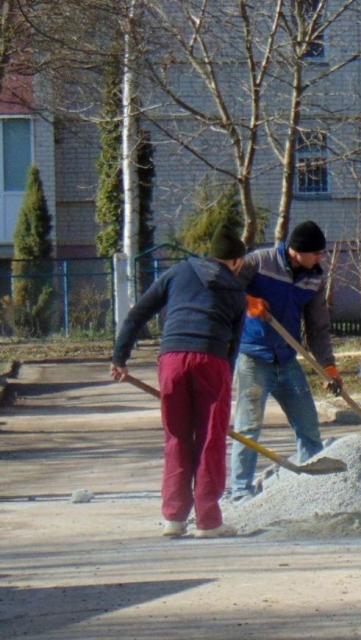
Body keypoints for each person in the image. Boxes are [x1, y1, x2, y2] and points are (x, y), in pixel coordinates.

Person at [110, 224, 247, 538]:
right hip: (212, 360)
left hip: (172, 359)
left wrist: (119, 358)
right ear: (236, 261)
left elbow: (137, 314)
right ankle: (208, 522)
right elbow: (234, 345)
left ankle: (173, 518)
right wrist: (224, 382)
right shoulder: (236, 290)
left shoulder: (178, 272)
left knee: (176, 436)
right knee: (210, 439)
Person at [228, 220, 343, 501]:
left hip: (287, 359)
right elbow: (226, 288)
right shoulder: (259, 262)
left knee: (308, 425)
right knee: (248, 427)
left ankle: (314, 485)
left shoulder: (314, 278)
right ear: (296, 251)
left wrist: (328, 366)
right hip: (253, 357)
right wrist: (247, 301)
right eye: (316, 253)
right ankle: (240, 491)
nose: (320, 258)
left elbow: (317, 327)